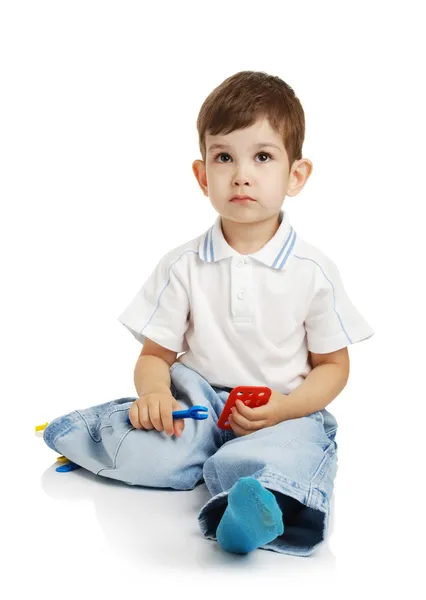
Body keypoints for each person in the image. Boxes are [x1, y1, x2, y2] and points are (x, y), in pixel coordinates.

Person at [43, 70, 374, 557]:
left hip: (279, 408)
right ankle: (96, 434)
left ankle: (246, 511)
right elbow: (156, 355)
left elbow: (334, 367)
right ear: (202, 176)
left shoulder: (313, 272)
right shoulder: (184, 265)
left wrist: (285, 409)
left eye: (262, 157)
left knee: (282, 455)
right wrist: (156, 393)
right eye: (224, 157)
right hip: (197, 403)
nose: (242, 174)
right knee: (151, 453)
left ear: (295, 175)